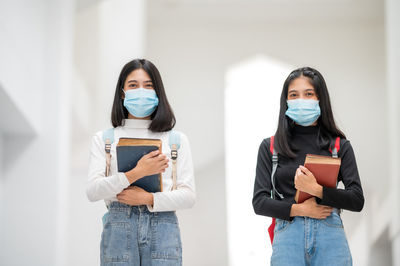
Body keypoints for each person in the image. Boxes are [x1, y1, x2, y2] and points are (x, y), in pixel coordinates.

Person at [87, 58, 196, 266]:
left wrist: (148, 198)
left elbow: (189, 196)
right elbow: (93, 191)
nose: (141, 91)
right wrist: (136, 173)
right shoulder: (105, 139)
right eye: (133, 85)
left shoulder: (175, 140)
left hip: (163, 227)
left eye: (148, 85)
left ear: (157, 92)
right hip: (119, 228)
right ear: (122, 93)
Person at [252, 67, 364, 266]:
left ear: (320, 98)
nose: (300, 100)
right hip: (288, 237)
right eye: (294, 95)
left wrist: (316, 190)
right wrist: (300, 209)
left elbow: (356, 199)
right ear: (285, 101)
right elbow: (259, 202)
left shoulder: (340, 146)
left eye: (308, 94)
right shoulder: (270, 147)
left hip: (330, 236)